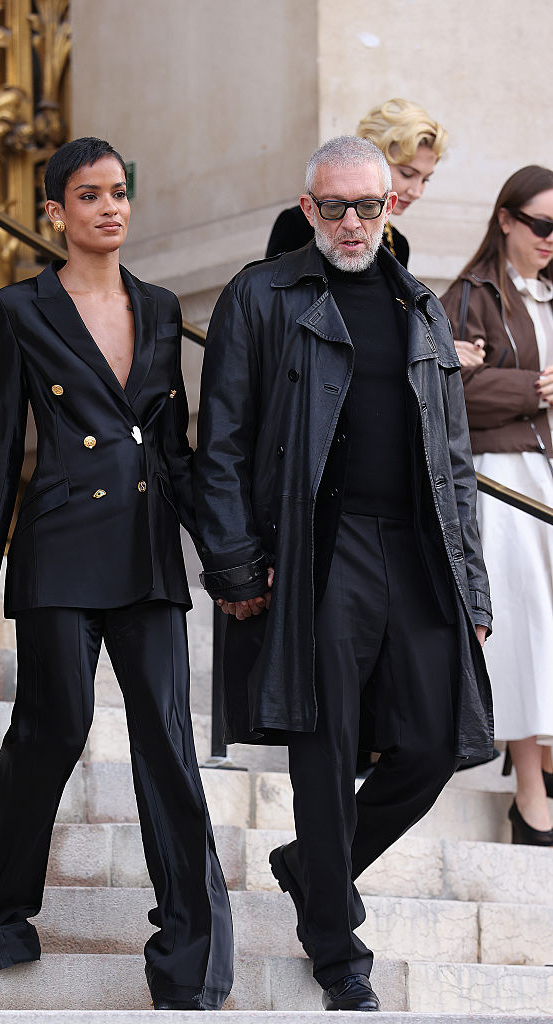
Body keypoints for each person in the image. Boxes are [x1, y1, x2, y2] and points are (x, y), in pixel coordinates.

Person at [194, 135, 492, 1012]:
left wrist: (470, 588)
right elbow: (222, 444)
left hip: (418, 550)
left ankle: (310, 869)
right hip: (318, 548)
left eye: (369, 206)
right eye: (335, 207)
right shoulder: (262, 293)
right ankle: (335, 944)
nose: (353, 223)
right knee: (323, 748)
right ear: (307, 205)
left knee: (436, 744)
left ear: (389, 207)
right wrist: (236, 561)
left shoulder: (422, 308)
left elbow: (454, 459)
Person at [0, 137, 233, 1010]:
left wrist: (226, 558)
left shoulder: (157, 308)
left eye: (118, 193)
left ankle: (192, 953)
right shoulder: (20, 308)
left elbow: (177, 454)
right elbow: (3, 455)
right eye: (89, 195)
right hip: (61, 545)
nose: (109, 208)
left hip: (146, 550)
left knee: (169, 749)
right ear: (54, 212)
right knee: (55, 727)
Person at [442, 165, 553, 846]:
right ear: (506, 218)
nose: (550, 239)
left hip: (544, 472)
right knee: (523, 622)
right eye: (540, 224)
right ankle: (529, 788)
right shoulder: (469, 295)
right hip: (501, 476)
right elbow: (451, 394)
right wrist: (533, 389)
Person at [265, 97, 447, 267]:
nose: (417, 191)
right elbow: (274, 296)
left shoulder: (398, 244)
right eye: (407, 174)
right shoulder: (296, 224)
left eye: (425, 179)